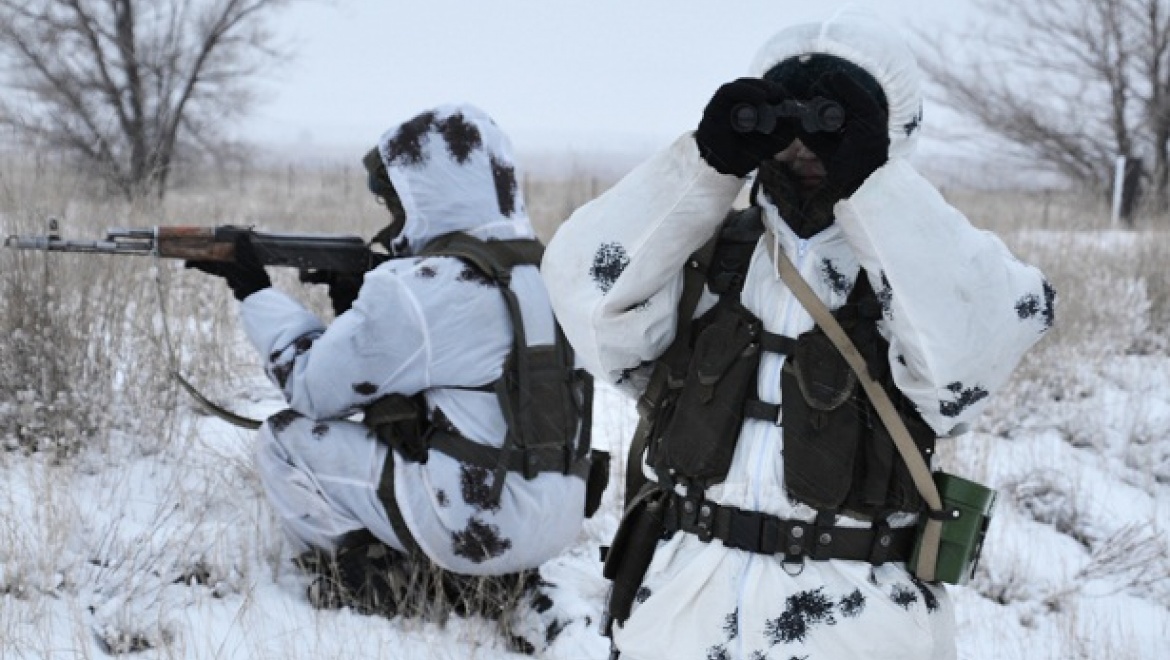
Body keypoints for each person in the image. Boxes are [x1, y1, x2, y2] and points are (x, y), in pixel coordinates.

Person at [542, 7, 1054, 660]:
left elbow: (965, 367)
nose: (805, 149)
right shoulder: (708, 257)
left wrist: (875, 185)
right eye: (788, 125)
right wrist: (704, 165)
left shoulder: (928, 266)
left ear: (890, 131)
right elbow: (585, 297)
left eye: (835, 124)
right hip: (682, 610)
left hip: (854, 620)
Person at [186, 103, 599, 653]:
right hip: (555, 521)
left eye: (397, 198)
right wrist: (354, 307)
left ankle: (366, 583)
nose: (393, 214)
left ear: (424, 191)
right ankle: (495, 583)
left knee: (284, 438)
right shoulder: (549, 267)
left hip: (473, 530)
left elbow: (311, 389)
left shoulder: (421, 285)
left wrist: (254, 291)